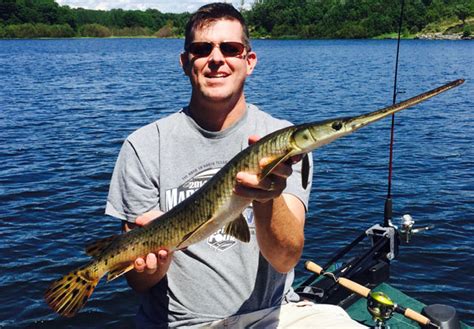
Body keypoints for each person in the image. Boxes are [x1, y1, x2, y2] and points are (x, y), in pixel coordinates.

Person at [106, 3, 366, 328]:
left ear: (249, 61)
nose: (216, 59)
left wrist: (266, 197)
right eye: (202, 49)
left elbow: (285, 259)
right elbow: (139, 283)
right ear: (186, 63)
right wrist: (151, 265)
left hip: (273, 315)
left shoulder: (281, 142)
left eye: (231, 48)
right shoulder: (143, 146)